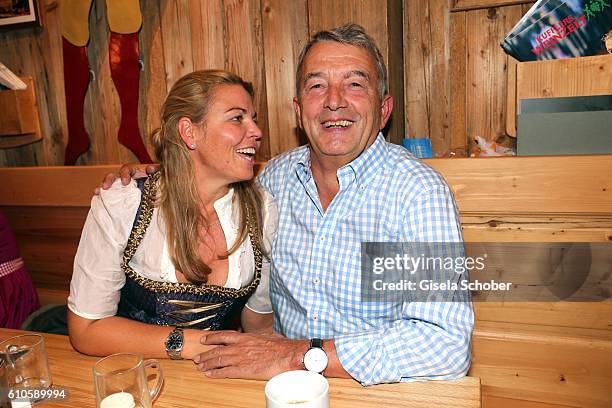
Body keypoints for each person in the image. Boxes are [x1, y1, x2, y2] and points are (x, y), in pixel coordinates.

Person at [103, 24, 473, 385]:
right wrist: (165, 172)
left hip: (372, 390)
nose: (334, 100)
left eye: (355, 84)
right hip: (275, 385)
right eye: (316, 86)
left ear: (384, 109)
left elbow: (446, 345)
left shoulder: (420, 194)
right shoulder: (271, 182)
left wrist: (296, 355)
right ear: (299, 109)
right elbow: (201, 180)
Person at [68, 70, 277, 360]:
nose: (256, 131)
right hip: (134, 373)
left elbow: (258, 324)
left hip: (215, 377)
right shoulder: (126, 203)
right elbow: (86, 329)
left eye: (253, 118)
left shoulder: (261, 209)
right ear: (189, 132)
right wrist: (191, 343)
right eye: (237, 117)